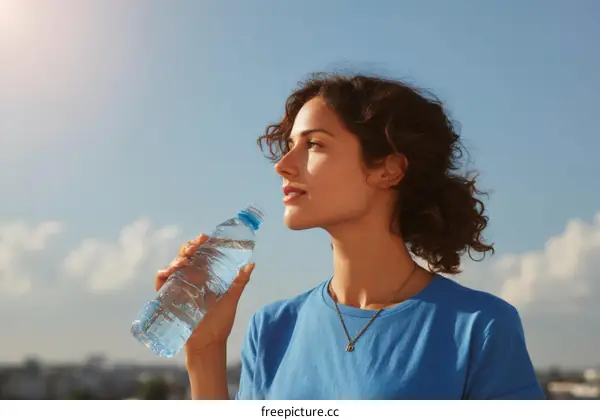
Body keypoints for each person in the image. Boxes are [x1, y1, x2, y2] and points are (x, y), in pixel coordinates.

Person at [155, 73, 545, 400]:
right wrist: (205, 349)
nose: (283, 166)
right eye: (290, 146)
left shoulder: (480, 327)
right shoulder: (273, 328)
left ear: (388, 170)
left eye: (314, 144)